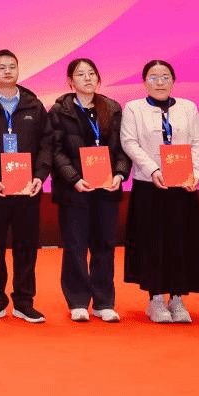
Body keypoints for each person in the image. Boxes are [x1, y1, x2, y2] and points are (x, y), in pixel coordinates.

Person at [120, 60, 199, 323]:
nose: (159, 82)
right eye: (153, 77)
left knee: (181, 241)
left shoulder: (188, 107)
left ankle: (178, 298)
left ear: (173, 80)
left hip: (182, 185)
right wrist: (153, 170)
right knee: (153, 242)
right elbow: (129, 142)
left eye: (165, 77)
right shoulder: (134, 108)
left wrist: (197, 174)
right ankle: (156, 300)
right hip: (150, 186)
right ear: (144, 82)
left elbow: (198, 142)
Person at [0, 49, 53, 324]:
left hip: (28, 189)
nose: (7, 71)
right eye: (1, 67)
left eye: (12, 66)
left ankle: (24, 302)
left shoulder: (34, 106)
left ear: (18, 70)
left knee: (26, 246)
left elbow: (47, 144)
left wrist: (40, 175)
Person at [49, 58, 130, 323]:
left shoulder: (112, 108)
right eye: (81, 74)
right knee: (75, 246)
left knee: (104, 245)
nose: (87, 78)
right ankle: (78, 301)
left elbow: (122, 148)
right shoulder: (59, 111)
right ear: (70, 81)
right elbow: (55, 150)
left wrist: (119, 174)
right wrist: (73, 178)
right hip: (74, 190)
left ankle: (104, 302)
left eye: (92, 73)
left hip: (106, 189)